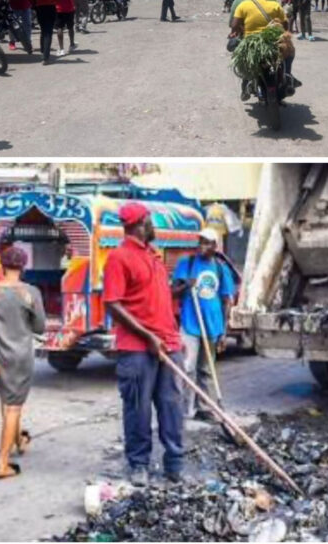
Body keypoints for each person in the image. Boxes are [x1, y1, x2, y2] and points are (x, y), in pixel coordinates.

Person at [103, 203, 185, 487]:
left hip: (169, 343)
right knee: (138, 408)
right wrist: (148, 336)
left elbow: (154, 298)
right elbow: (112, 303)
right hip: (137, 349)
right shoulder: (119, 257)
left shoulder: (154, 256)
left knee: (172, 405)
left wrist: (178, 292)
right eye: (151, 221)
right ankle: (139, 464)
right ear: (139, 224)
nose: (154, 227)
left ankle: (174, 462)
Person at [0, 244, 45, 479]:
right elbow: (39, 327)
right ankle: (3, 463)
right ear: (23, 266)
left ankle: (18, 442)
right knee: (14, 407)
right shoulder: (31, 292)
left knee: (6, 401)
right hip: (21, 356)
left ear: (2, 265)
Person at [171, 228, 236, 420]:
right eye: (200, 242)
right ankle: (182, 411)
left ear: (215, 246)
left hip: (212, 326)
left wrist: (224, 331)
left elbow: (226, 301)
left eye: (207, 243)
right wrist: (185, 286)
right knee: (187, 368)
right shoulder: (188, 264)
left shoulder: (220, 268)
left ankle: (203, 408)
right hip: (190, 324)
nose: (202, 246)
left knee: (206, 370)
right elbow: (173, 291)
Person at [231, 0, 296, 101]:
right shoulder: (275, 5)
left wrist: (239, 31)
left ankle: (246, 84)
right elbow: (285, 25)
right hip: (274, 42)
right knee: (290, 53)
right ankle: (287, 75)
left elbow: (234, 25)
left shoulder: (244, 5)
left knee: (244, 61)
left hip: (251, 43)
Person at [28, 0, 59, 65]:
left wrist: (34, 7)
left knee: (43, 30)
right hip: (51, 8)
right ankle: (46, 57)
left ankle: (42, 52)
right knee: (48, 32)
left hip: (40, 9)